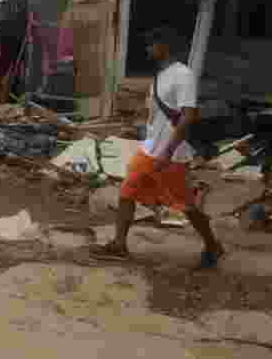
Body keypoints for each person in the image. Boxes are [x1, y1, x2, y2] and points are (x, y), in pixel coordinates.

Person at [90, 25, 225, 269]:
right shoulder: (159, 75)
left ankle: (213, 245)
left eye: (152, 44)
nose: (148, 49)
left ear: (165, 46)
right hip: (151, 150)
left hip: (170, 154)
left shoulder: (182, 75)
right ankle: (119, 245)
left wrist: (168, 151)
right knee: (127, 192)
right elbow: (156, 114)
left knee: (185, 205)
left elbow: (187, 116)